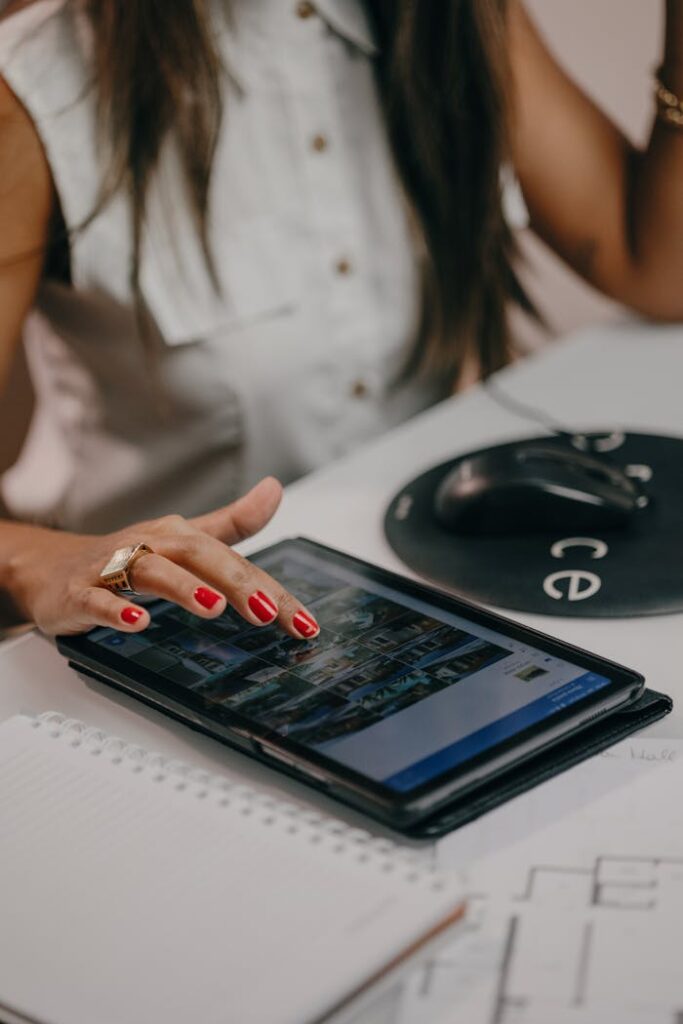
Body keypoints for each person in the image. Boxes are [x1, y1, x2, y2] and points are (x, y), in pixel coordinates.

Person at [0, 0, 681, 639]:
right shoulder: (36, 88)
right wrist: (43, 565)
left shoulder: (455, 20)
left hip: (413, 594)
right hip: (163, 633)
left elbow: (659, 268)